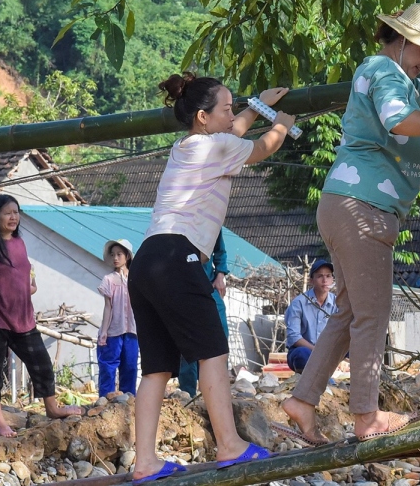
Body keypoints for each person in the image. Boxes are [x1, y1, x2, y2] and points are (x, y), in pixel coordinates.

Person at [278, 3, 420, 446]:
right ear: (401, 39)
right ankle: (366, 414)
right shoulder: (385, 70)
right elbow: (400, 119)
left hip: (345, 202)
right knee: (373, 314)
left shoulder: (396, 76)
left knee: (348, 311)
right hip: (364, 207)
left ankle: (303, 401)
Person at [128, 73, 296, 483]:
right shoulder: (218, 145)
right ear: (203, 116)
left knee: (155, 370)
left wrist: (256, 105)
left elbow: (234, 127)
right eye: (226, 106)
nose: (232, 112)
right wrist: (282, 123)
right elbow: (258, 147)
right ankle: (229, 444)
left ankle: (144, 462)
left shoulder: (186, 145)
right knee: (212, 352)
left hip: (146, 259)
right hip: (176, 258)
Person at [0, 194, 83, 437]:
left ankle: (52, 408)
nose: (14, 217)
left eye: (16, 212)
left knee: (42, 364)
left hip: (23, 317)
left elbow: (21, 275)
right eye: (7, 213)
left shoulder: (19, 242)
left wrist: (28, 286)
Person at [178, 235, 230, 397]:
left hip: (209, 285)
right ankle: (188, 394)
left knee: (219, 337)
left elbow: (220, 251)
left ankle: (218, 391)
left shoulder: (211, 217)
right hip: (183, 288)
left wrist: (221, 274)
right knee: (187, 342)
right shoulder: (175, 220)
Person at [97, 238, 138, 398]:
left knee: (130, 366)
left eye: (119, 254)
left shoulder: (135, 279)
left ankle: (128, 401)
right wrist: (104, 331)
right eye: (113, 254)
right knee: (108, 367)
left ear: (127, 256)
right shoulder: (109, 280)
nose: (115, 258)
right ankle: (105, 400)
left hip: (132, 330)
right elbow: (108, 307)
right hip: (114, 330)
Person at [283, 259, 337, 374]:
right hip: (306, 351)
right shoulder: (299, 303)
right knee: (302, 354)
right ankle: (313, 382)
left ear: (332, 279)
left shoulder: (338, 303)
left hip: (330, 351)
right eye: (320, 276)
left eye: (328, 276)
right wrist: (318, 351)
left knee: (357, 349)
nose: (325, 280)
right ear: (311, 280)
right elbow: (294, 337)